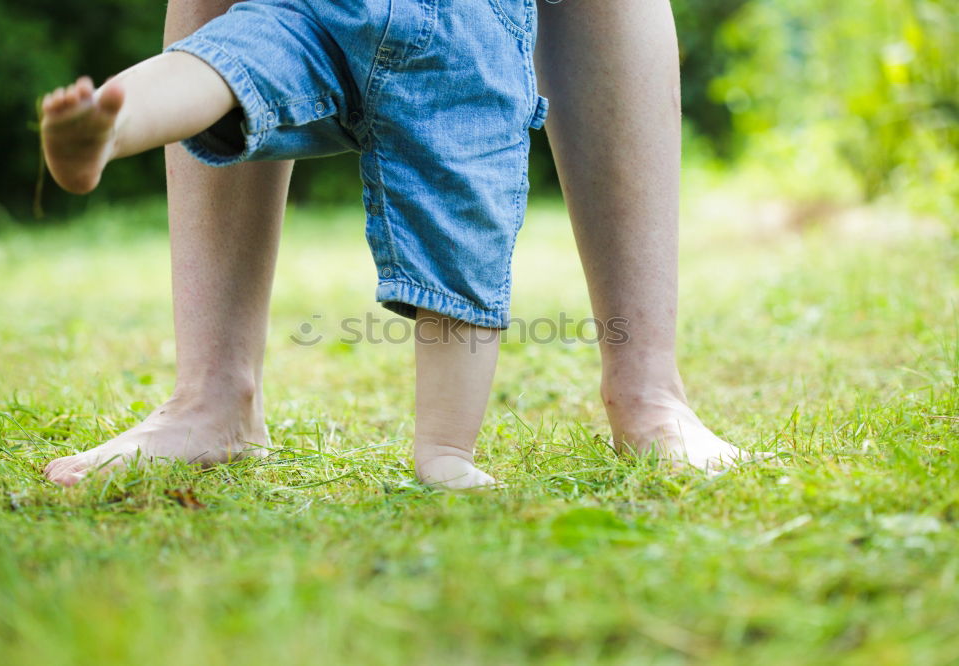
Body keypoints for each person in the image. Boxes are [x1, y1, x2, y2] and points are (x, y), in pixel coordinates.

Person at [43, 0, 755, 488]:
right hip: (458, 29)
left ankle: (115, 120)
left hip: (339, 14)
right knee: (461, 227)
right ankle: (441, 450)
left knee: (229, 62)